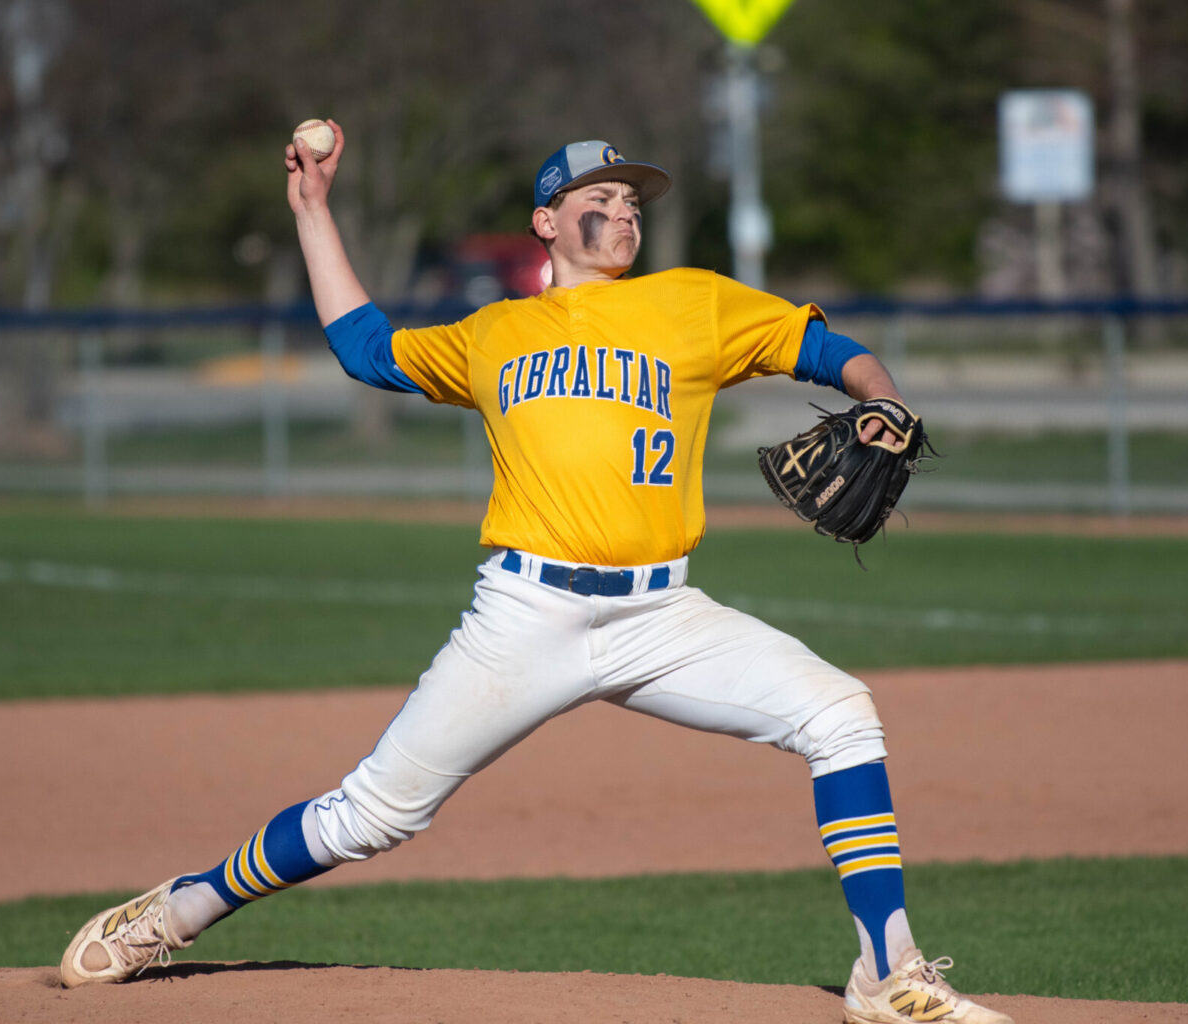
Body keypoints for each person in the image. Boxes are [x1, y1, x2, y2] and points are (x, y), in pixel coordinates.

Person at [59, 124, 1013, 1024]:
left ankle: (887, 975)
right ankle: (179, 910)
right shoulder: (494, 333)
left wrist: (882, 400)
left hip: (663, 613)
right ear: (547, 222)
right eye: (603, 195)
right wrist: (312, 211)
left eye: (634, 198)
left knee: (840, 714)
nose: (627, 211)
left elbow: (832, 352)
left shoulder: (693, 302)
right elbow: (363, 348)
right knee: (372, 817)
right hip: (525, 612)